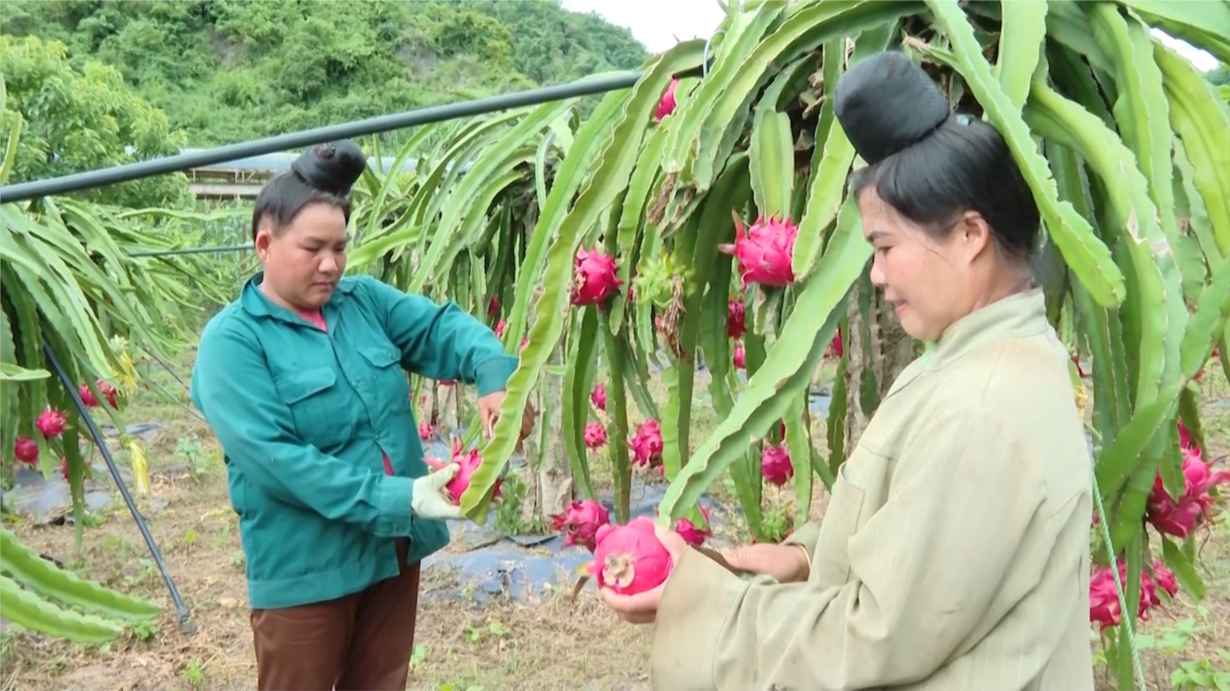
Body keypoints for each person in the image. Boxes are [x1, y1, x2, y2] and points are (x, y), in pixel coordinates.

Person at [599, 50, 1096, 690]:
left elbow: (874, 636)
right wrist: (804, 555)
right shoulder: (976, 359)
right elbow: (922, 544)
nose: (878, 276)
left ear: (970, 235)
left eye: (886, 248)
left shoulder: (981, 406)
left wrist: (703, 606)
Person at [190, 140, 533, 691]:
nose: (330, 265)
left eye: (340, 248)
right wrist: (403, 497)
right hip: (308, 570)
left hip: (392, 552)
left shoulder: (363, 303)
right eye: (312, 248)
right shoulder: (231, 343)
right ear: (264, 244)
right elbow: (279, 463)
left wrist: (496, 377)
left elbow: (441, 328)